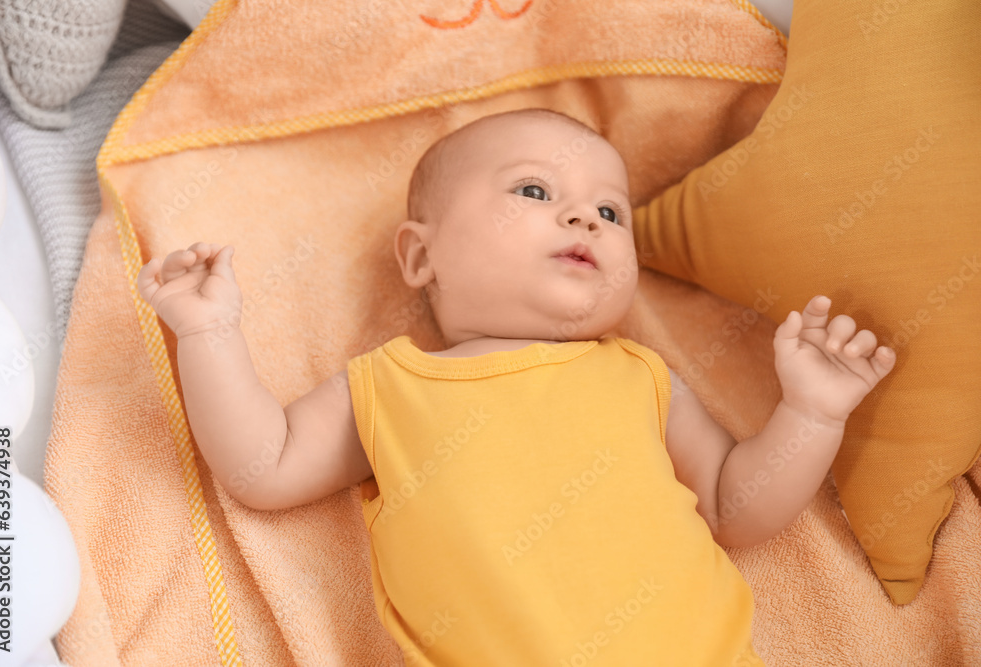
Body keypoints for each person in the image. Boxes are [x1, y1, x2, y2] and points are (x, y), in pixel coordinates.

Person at [136, 108, 896, 666]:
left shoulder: (639, 376)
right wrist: (208, 333)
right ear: (419, 256)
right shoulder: (390, 386)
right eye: (534, 191)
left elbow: (735, 506)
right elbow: (261, 467)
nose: (583, 217)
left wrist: (810, 412)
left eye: (609, 211)